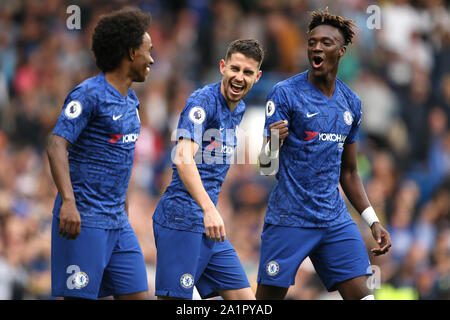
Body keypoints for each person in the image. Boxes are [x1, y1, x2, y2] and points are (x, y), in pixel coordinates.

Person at [256, 9, 392, 300]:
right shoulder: (284, 94)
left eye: (326, 43)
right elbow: (266, 168)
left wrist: (372, 221)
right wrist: (271, 144)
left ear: (341, 51)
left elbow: (350, 172)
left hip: (334, 220)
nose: (317, 47)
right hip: (289, 219)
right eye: (312, 42)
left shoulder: (351, 103)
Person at [46, 7, 154, 300]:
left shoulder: (131, 101)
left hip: (118, 223)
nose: (152, 59)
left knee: (138, 296)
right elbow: (56, 145)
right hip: (84, 219)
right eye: (148, 51)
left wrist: (125, 208)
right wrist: (68, 201)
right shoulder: (88, 94)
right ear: (131, 53)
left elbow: (122, 159)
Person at [152, 39, 263, 300]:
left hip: (208, 226)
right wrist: (210, 209)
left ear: (257, 77)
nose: (239, 77)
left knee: (245, 300)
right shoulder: (202, 102)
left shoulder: (240, 109)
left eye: (247, 72)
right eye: (235, 69)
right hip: (181, 220)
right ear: (222, 67)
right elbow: (182, 157)